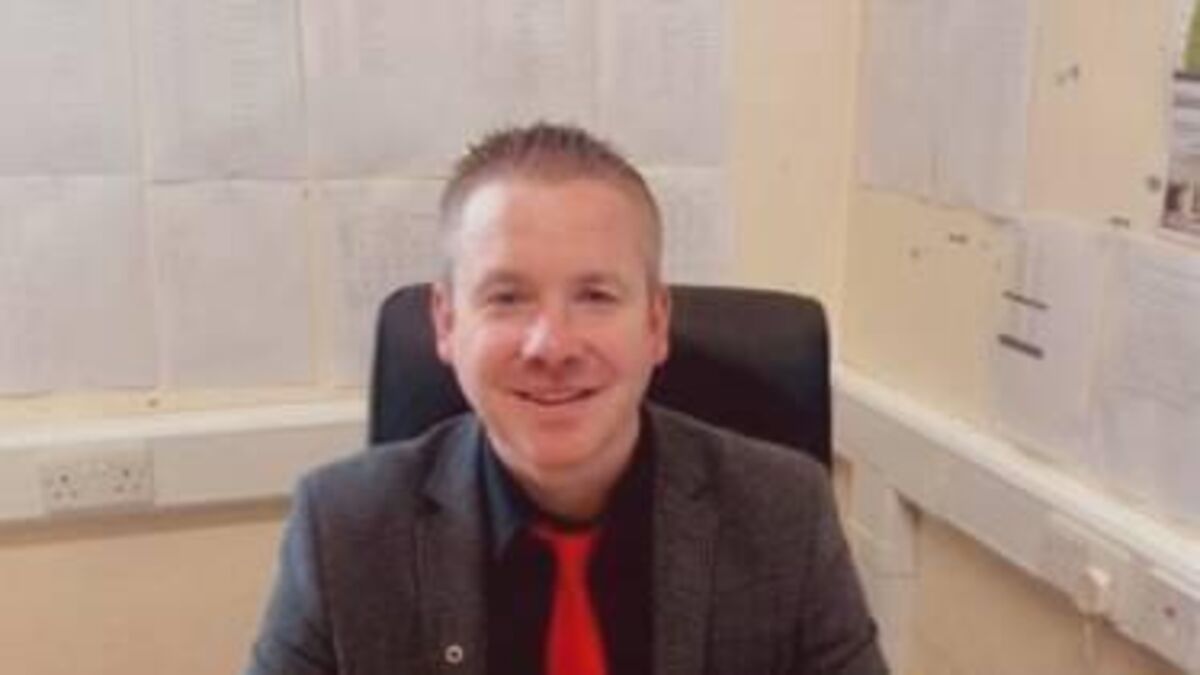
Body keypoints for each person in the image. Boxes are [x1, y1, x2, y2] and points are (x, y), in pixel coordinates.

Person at [244, 122, 888, 675]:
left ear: (656, 322)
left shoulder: (784, 515)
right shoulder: (342, 529)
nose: (550, 345)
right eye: (507, 297)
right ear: (446, 322)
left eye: (596, 296)